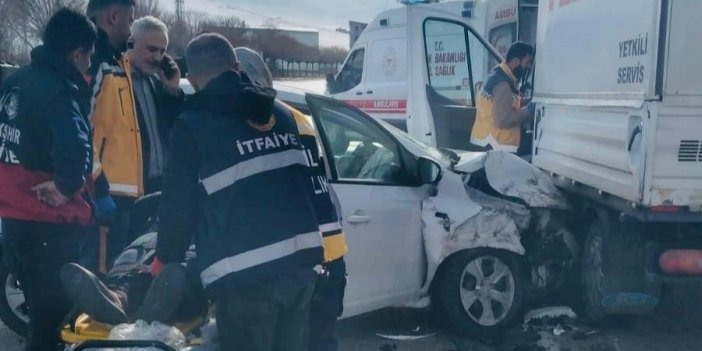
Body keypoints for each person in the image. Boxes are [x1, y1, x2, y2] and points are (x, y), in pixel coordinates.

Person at [155, 33, 324, 351]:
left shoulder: (193, 127)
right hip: (300, 269)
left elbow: (178, 205)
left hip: (245, 279)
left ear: (191, 77)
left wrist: (166, 260)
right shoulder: (282, 115)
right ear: (236, 66)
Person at [235, 46, 349, 351]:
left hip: (292, 262)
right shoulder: (298, 119)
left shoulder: (243, 123)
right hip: (330, 251)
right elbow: (320, 185)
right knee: (322, 338)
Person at [0, 8, 98, 350]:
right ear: (78, 53)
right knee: (53, 323)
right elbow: (75, 149)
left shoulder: (15, 82)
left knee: (39, 320)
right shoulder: (59, 90)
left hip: (12, 220)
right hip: (48, 224)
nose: (89, 65)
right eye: (89, 56)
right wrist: (65, 186)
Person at [82, 0, 137, 272]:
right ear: (113, 16)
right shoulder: (95, 61)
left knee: (119, 277)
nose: (131, 30)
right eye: (130, 20)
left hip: (124, 196)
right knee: (102, 282)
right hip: (105, 193)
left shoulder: (119, 60)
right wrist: (98, 186)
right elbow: (81, 129)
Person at [126, 16, 183, 194]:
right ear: (131, 43)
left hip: (160, 186)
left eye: (162, 51)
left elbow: (175, 129)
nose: (157, 57)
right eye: (151, 49)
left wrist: (172, 91)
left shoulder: (158, 84)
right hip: (125, 190)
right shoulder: (113, 82)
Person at [470, 41, 535, 155]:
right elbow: (503, 119)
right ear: (515, 61)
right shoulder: (502, 84)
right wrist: (528, 110)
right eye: (527, 62)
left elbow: (508, 102)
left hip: (488, 144)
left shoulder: (499, 74)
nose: (529, 67)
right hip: (496, 147)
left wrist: (527, 102)